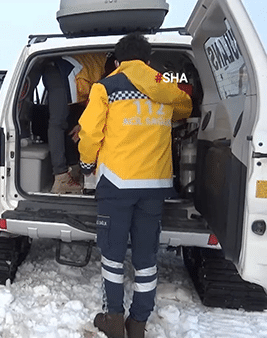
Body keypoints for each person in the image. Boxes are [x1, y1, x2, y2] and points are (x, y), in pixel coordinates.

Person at [77, 33, 192, 338]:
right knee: (146, 256)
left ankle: (114, 320)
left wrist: (87, 163)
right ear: (148, 60)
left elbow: (89, 133)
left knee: (113, 254)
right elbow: (185, 108)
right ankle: (138, 323)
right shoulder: (166, 88)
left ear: (117, 61)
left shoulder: (106, 87)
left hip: (117, 182)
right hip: (155, 184)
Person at [42, 52, 107, 194]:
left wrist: (83, 123)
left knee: (68, 121)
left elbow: (93, 101)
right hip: (65, 71)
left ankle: (73, 169)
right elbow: (102, 100)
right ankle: (61, 178)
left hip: (65, 73)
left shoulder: (106, 61)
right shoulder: (112, 65)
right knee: (58, 123)